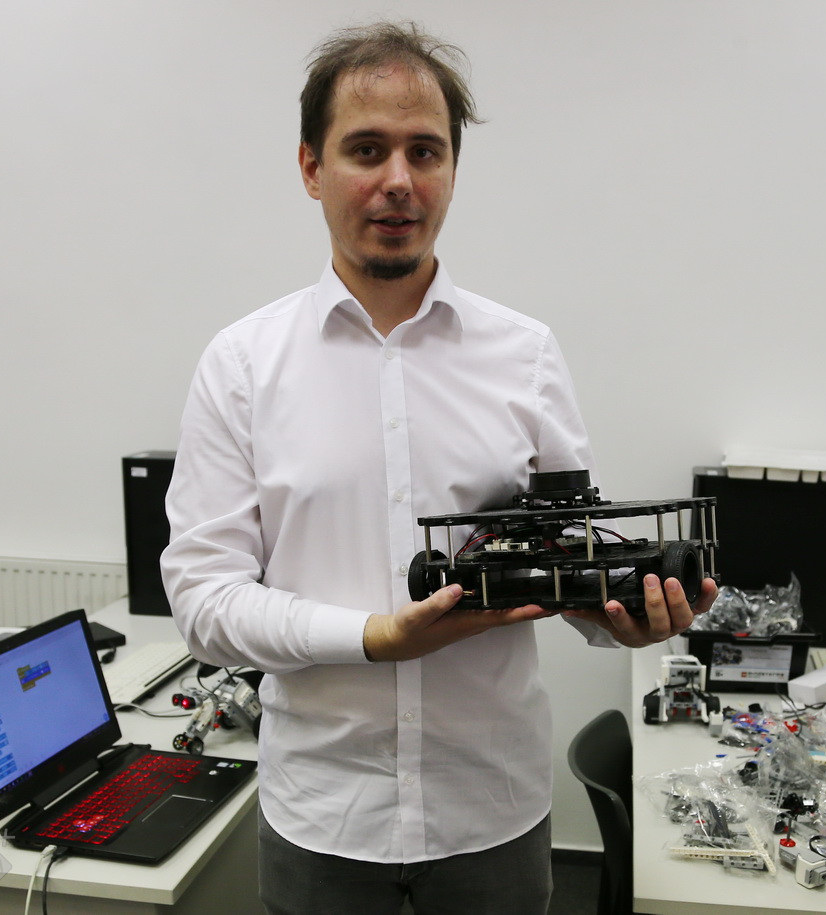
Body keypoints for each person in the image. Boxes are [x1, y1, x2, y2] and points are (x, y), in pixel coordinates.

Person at [160, 20, 716, 915]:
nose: (398, 180)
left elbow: (573, 564)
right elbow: (204, 603)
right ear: (310, 167)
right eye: (366, 149)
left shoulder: (526, 355)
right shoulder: (241, 365)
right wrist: (376, 635)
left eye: (425, 151)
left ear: (453, 170)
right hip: (322, 819)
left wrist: (630, 619)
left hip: (490, 814)